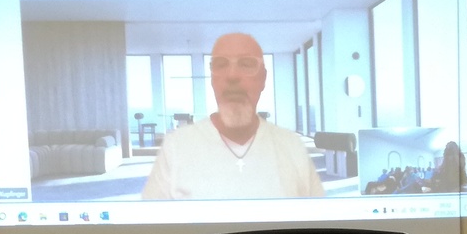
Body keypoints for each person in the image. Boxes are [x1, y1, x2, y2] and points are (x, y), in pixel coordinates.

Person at [139, 34, 326, 201]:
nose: (232, 75)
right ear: (212, 79)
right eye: (221, 65)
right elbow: (149, 222)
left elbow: (320, 220)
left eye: (246, 64)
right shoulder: (175, 146)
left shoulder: (292, 146)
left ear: (263, 78)